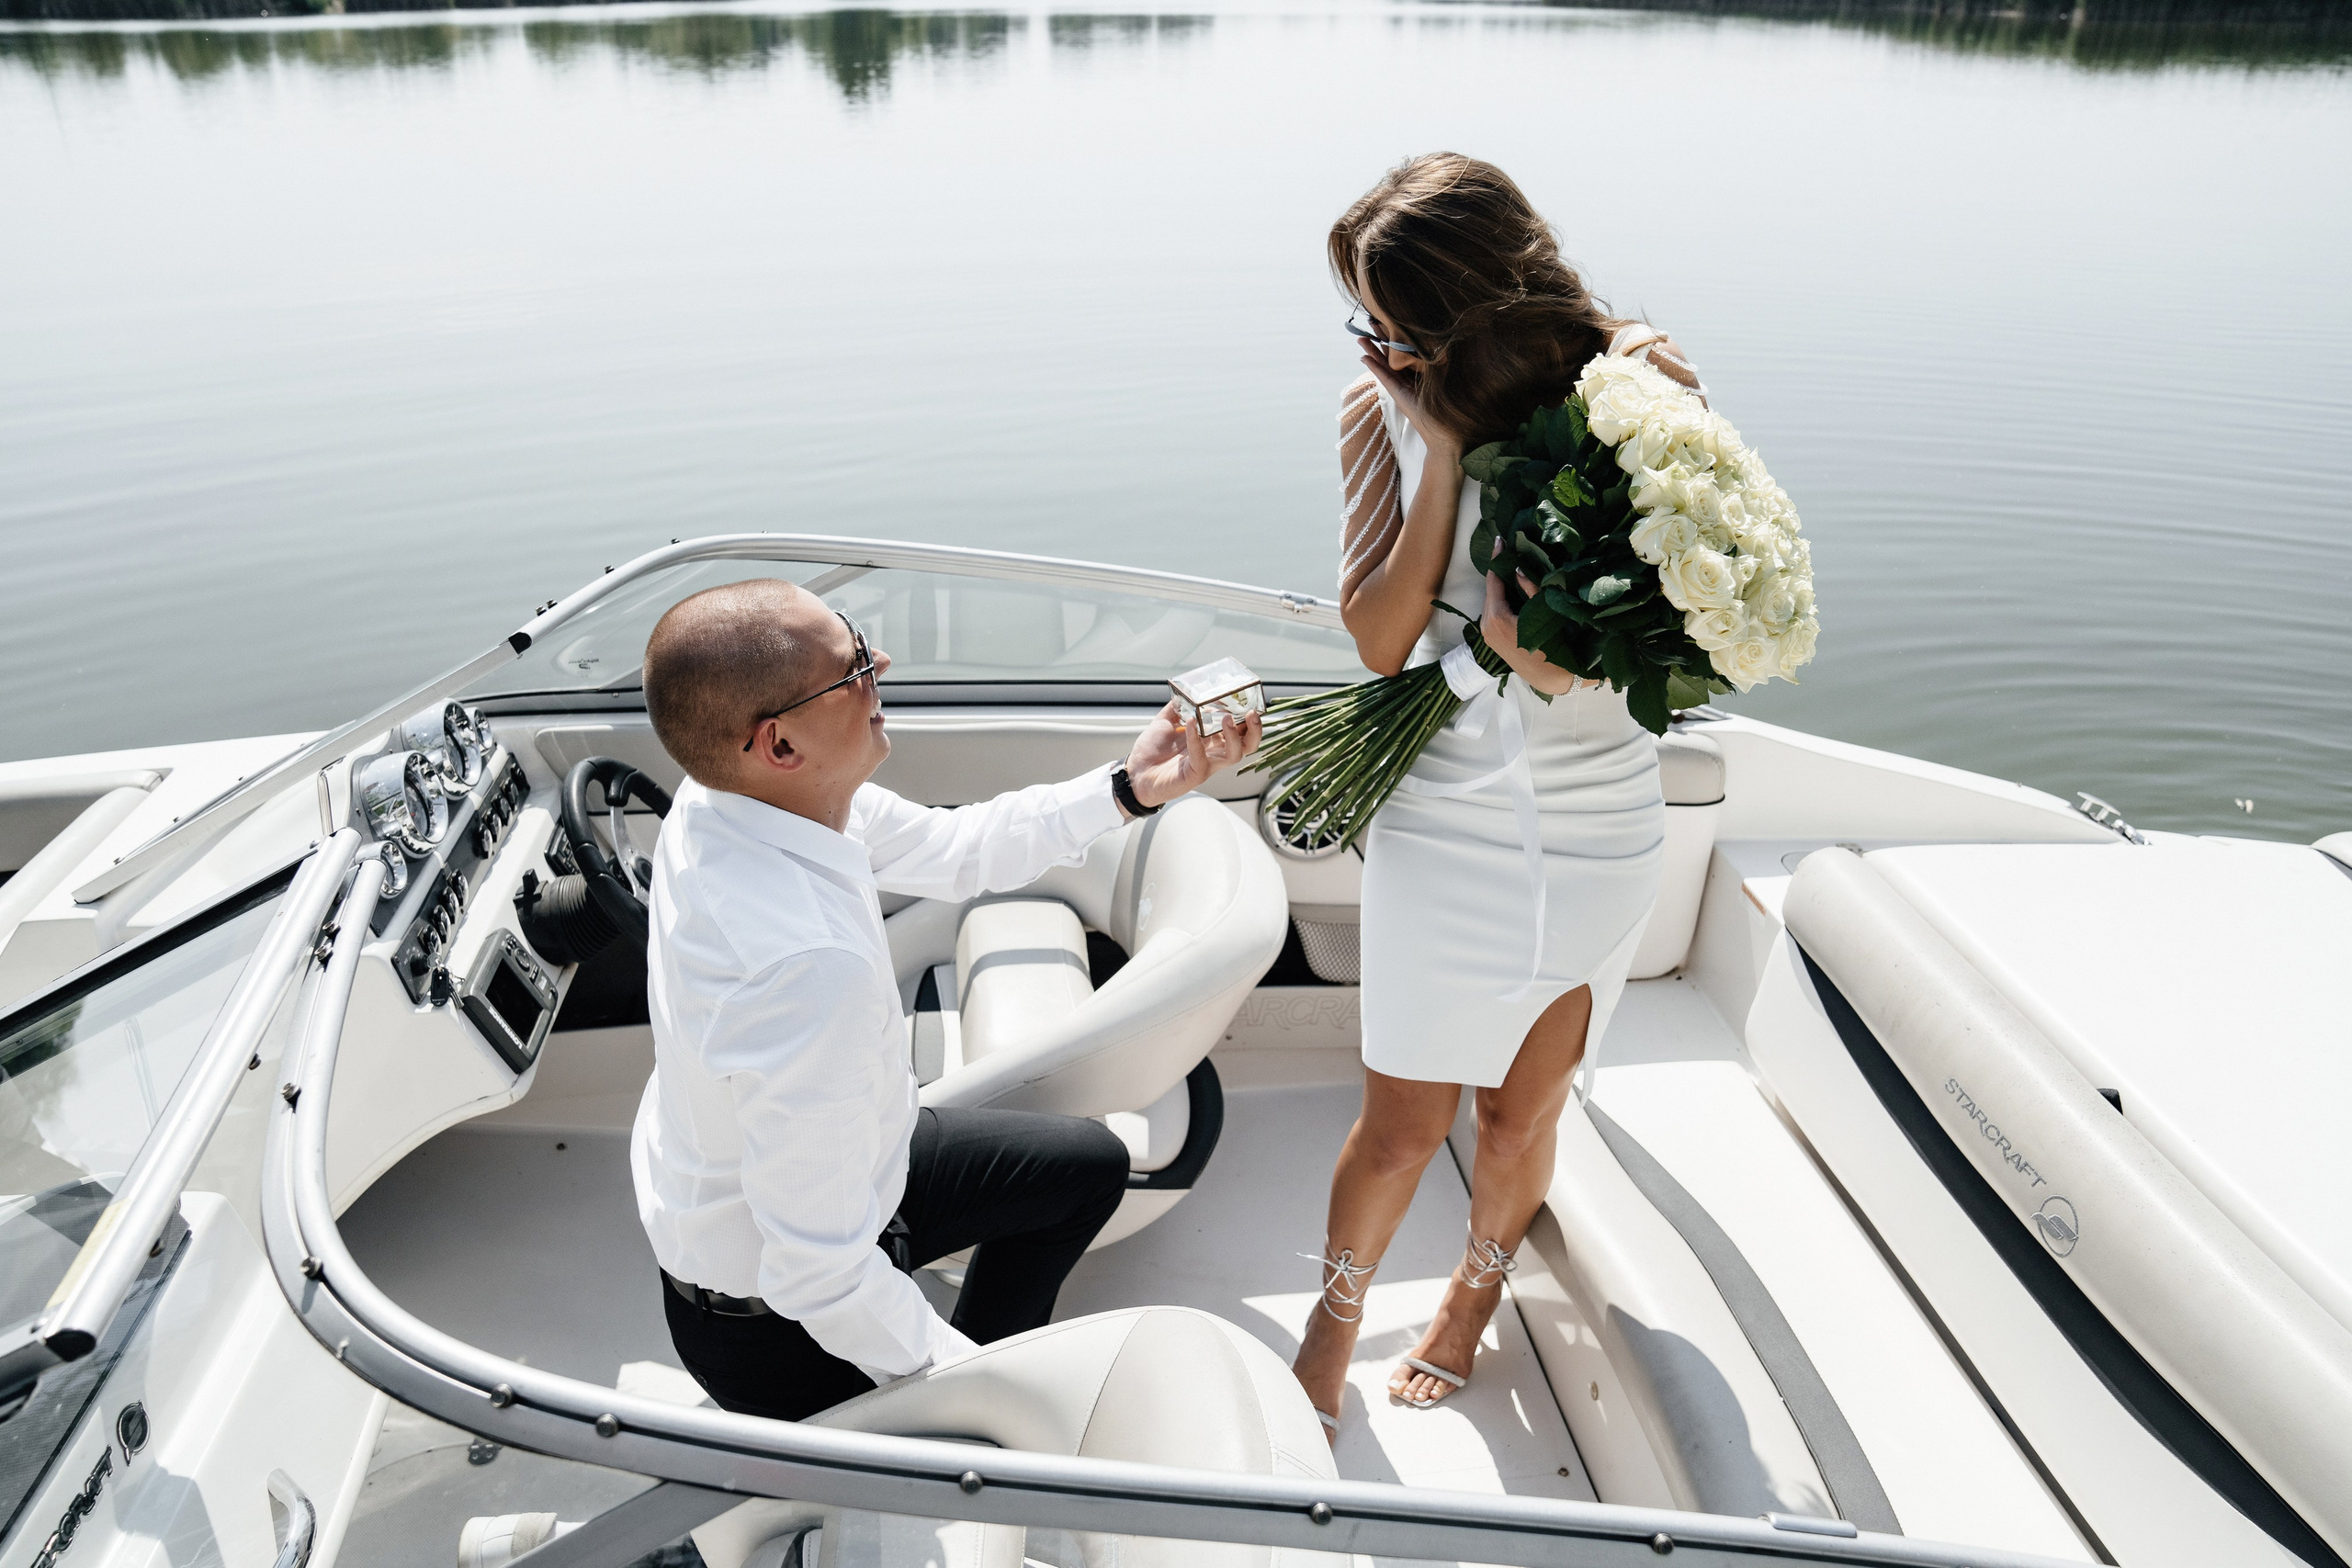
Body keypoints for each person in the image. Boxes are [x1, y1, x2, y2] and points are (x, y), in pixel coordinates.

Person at [629, 577, 1261, 1421]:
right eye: (852, 666)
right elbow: (817, 1275)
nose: (878, 662)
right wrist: (981, 1389)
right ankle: (968, 1430)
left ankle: (981, 1376)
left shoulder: (740, 800)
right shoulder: (805, 971)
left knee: (1087, 1168)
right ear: (779, 743)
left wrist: (1128, 786)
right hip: (778, 1331)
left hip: (864, 1174)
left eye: (856, 637)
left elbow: (960, 849)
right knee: (996, 1423)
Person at [1293, 154, 1690, 1434]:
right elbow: (1375, 636)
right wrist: (1443, 454)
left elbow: (1654, 605)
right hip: (1441, 813)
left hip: (1600, 810)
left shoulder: (1631, 390)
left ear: (1465, 304)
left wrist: (1556, 641)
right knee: (1401, 1122)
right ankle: (1334, 1317)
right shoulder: (1377, 411)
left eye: (1391, 320)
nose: (1373, 345)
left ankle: (1473, 1297)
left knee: (1525, 1107)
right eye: (1364, 320)